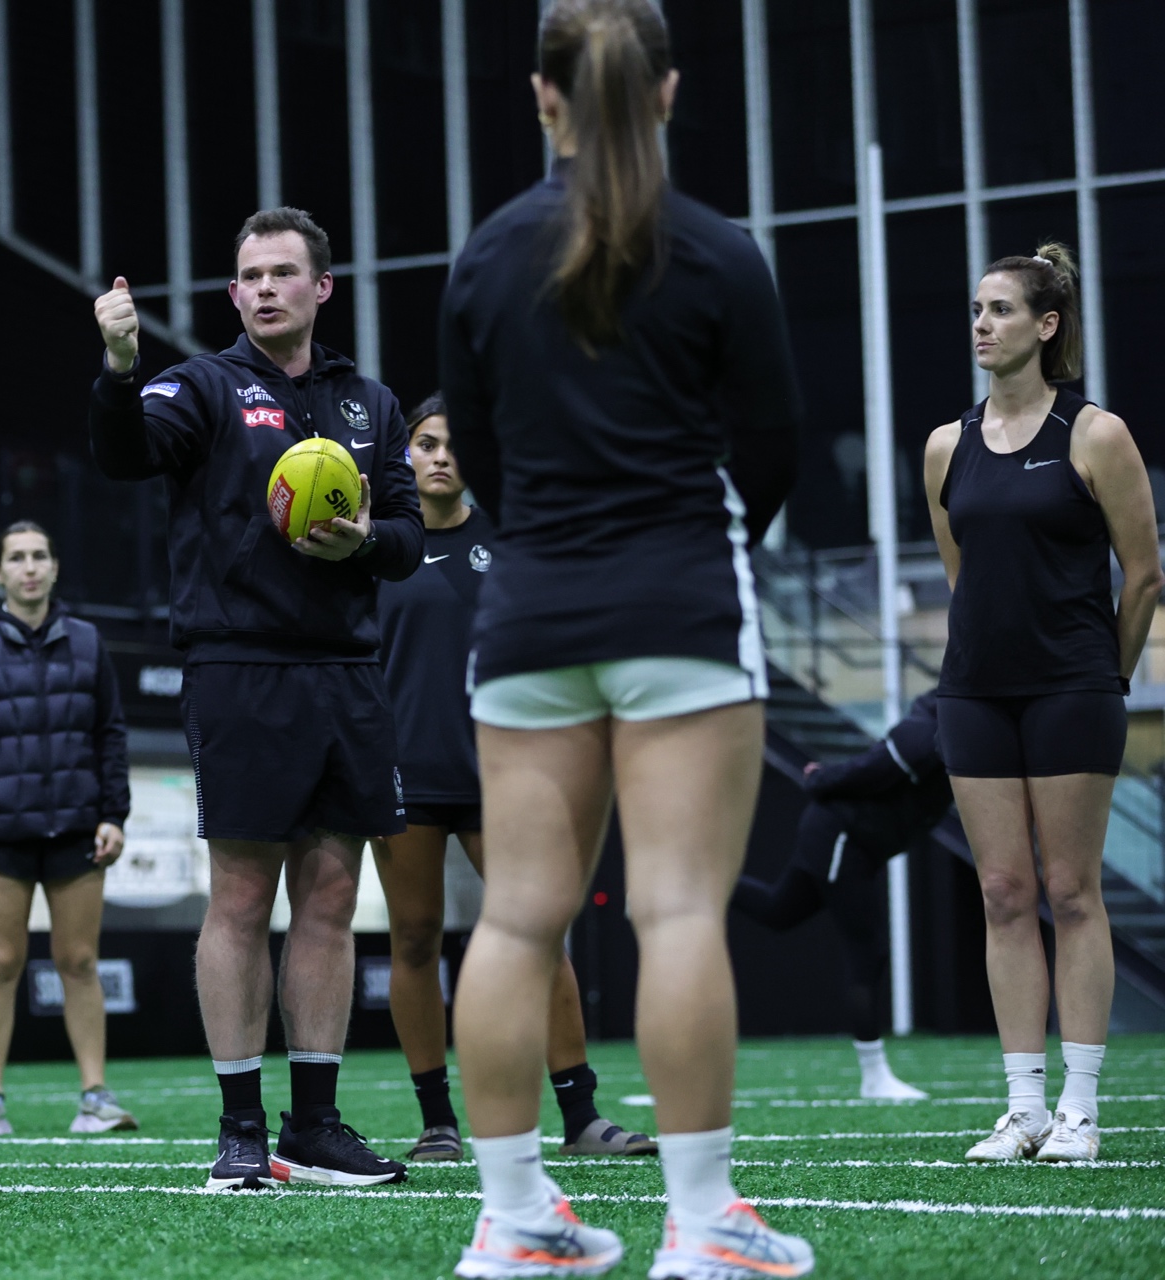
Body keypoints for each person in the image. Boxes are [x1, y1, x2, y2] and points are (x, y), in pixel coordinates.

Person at [439, 2, 812, 1274]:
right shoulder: (716, 249)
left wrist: (552, 533)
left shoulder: (487, 255)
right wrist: (688, 542)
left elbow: (478, 452)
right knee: (677, 910)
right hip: (682, 608)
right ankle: (703, 1227)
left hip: (531, 609)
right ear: (664, 92)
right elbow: (771, 447)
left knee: (517, 919)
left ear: (544, 97)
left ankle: (513, 1221)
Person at [90, 206, 424, 1190]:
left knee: (328, 896)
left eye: (285, 271)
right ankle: (240, 1128)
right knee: (240, 896)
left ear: (323, 287)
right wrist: (117, 367)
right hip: (239, 667)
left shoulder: (370, 401)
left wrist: (363, 542)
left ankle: (312, 1125)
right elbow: (123, 454)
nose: (266, 287)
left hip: (348, 673)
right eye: (250, 275)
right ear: (234, 295)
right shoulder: (200, 385)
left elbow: (409, 537)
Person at [924, 243, 1160, 1165]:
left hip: (1075, 688)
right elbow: (962, 578)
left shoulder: (1096, 433)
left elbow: (1143, 577)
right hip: (974, 692)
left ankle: (1081, 1110)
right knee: (1003, 892)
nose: (982, 325)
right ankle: (1022, 1109)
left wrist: (1106, 672)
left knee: (1070, 891)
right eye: (977, 310)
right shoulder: (947, 444)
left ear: (1046, 325)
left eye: (1001, 310)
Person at [371, 394, 652, 1163]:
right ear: (403, 454)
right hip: (402, 776)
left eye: (452, 445)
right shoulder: (372, 551)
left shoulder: (511, 543)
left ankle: (582, 1117)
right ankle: (436, 1121)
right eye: (424, 444)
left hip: (503, 768)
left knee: (538, 934)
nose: (438, 456)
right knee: (416, 938)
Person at [0, 521, 135, 1137]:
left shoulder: (88, 641)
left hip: (79, 827)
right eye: (16, 558)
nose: (29, 567)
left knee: (79, 961)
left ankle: (95, 1098)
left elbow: (110, 733)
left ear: (54, 568)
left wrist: (114, 813)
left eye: (39, 556)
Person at [732, 692, 947, 1102]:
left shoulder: (955, 735)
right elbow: (872, 768)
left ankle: (701, 887)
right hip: (841, 835)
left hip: (854, 840)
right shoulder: (926, 732)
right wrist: (819, 778)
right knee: (868, 950)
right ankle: (874, 1075)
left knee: (780, 911)